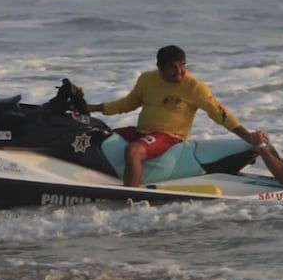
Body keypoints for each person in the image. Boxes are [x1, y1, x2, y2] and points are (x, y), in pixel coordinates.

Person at [86, 45, 257, 186]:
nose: (179, 71)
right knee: (100, 137)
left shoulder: (195, 87)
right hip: (142, 131)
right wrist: (93, 108)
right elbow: (128, 103)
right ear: (160, 67)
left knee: (134, 151)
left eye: (182, 65)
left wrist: (247, 136)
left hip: (169, 136)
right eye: (172, 67)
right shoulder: (147, 79)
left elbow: (221, 114)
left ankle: (131, 193)